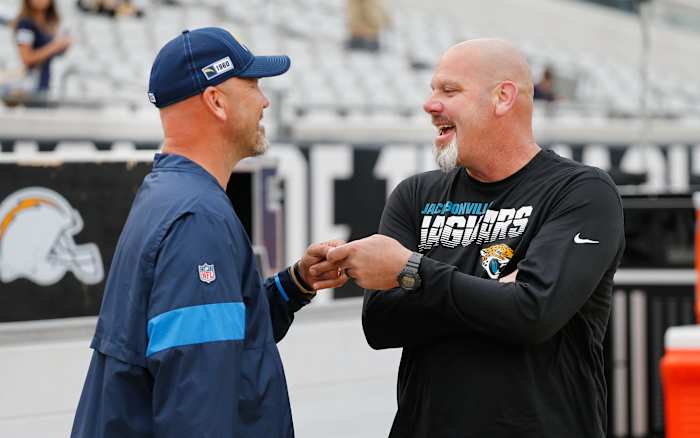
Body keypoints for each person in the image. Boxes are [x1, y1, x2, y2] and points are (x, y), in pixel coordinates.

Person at [313, 39, 625, 438]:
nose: (430, 105)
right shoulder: (415, 195)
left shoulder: (581, 191)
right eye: (432, 90)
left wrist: (411, 273)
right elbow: (380, 323)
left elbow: (532, 314)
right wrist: (497, 294)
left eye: (449, 90)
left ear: (502, 98)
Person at [70, 27, 347, 438]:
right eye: (252, 84)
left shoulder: (167, 193)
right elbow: (197, 402)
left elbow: (223, 341)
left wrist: (293, 285)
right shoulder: (196, 217)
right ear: (216, 101)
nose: (265, 100)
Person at [12, 0, 71, 100]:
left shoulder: (51, 23)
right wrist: (56, 46)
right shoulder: (25, 25)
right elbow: (26, 58)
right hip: (34, 86)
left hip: (50, 83)